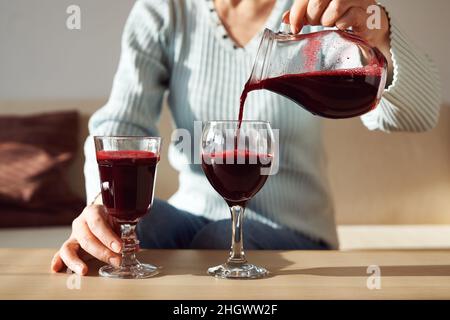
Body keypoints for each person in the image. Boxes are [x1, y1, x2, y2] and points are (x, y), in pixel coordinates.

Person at [51, 0, 441, 275]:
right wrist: (103, 207)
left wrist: (381, 33)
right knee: (131, 233)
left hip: (295, 230)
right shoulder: (165, 9)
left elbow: (418, 114)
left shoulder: (315, 13)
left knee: (215, 241)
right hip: (191, 216)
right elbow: (122, 126)